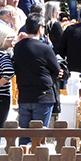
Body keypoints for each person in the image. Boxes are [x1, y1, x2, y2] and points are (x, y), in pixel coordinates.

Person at [13, 14, 63, 145]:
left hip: (24, 95)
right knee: (39, 137)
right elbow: (57, 70)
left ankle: (23, 157)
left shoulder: (18, 47)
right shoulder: (45, 48)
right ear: (40, 29)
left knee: (24, 136)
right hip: (43, 96)